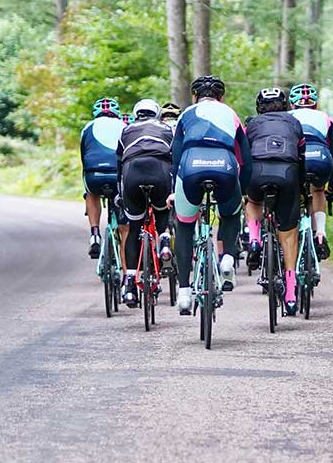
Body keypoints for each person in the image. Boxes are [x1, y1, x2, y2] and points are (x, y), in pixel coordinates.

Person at [168, 75, 251, 314]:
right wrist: (243, 192)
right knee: (230, 213)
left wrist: (175, 189)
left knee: (184, 226)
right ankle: (227, 260)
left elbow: (175, 155)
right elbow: (245, 159)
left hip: (191, 167)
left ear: (195, 97)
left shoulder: (186, 114)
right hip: (224, 167)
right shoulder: (231, 114)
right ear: (220, 97)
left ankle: (184, 292)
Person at [243, 87, 305, 316]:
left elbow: (243, 156)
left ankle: (255, 239)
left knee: (253, 201)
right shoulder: (294, 122)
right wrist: (301, 189)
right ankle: (290, 295)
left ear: (259, 107)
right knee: (288, 234)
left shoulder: (251, 124)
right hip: (287, 172)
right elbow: (301, 157)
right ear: (286, 105)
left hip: (258, 171)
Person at [115, 99, 174, 307]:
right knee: (162, 212)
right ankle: (165, 239)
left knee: (134, 227)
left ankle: (130, 284)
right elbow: (175, 160)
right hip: (160, 171)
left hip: (133, 172)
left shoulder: (126, 130)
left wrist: (120, 194)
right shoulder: (167, 129)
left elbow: (119, 165)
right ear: (157, 113)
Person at [288, 83, 333, 259]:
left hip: (296, 158)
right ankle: (320, 234)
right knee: (318, 190)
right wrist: (330, 189)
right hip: (321, 158)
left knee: (290, 191)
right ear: (315, 104)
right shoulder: (326, 118)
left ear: (292, 104)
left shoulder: (287, 117)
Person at [80, 97, 126, 259]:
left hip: (94, 176)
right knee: (125, 226)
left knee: (90, 192)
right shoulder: (124, 126)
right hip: (118, 176)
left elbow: (83, 157)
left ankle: (94, 234)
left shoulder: (87, 127)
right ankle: (128, 274)